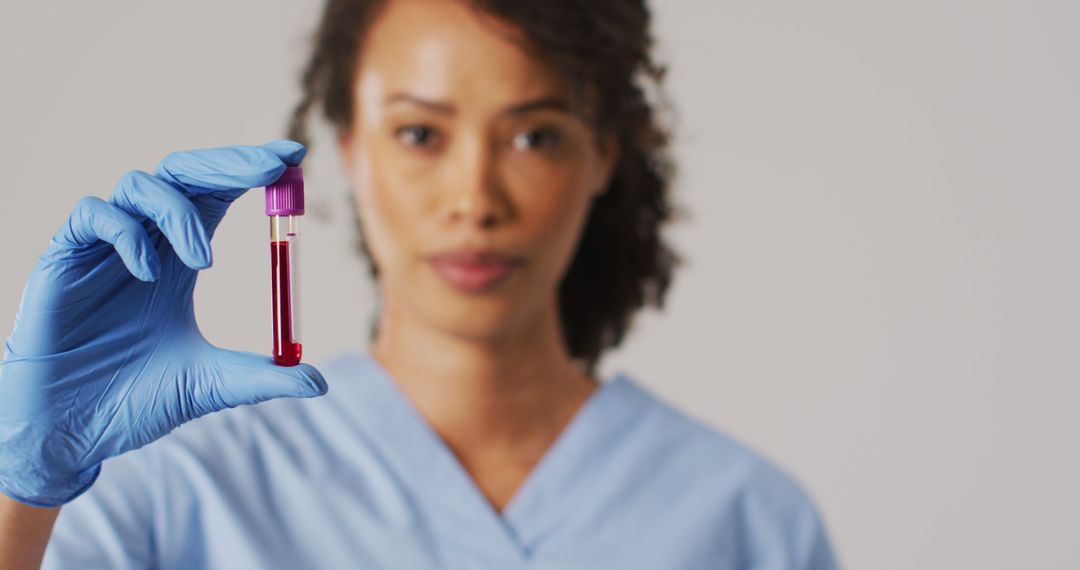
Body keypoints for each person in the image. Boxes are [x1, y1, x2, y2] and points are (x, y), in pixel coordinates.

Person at [0, 0, 840, 568]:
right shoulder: (170, 493)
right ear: (350, 146)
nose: (474, 199)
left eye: (534, 137)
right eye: (418, 133)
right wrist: (21, 490)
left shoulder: (747, 520)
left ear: (604, 154)